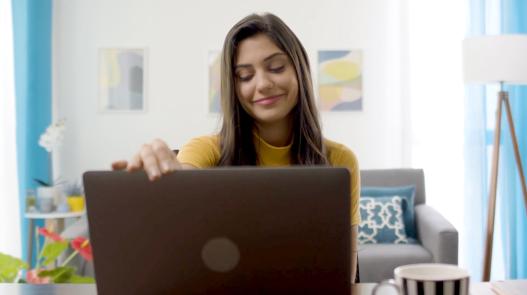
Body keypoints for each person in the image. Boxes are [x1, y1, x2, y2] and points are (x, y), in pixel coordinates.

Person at [112, 12, 361, 282]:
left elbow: (344, 275)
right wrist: (164, 185)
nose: (263, 84)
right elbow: (181, 184)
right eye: (244, 76)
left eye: (276, 68)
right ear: (233, 86)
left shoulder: (340, 159)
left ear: (299, 70)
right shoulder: (205, 149)